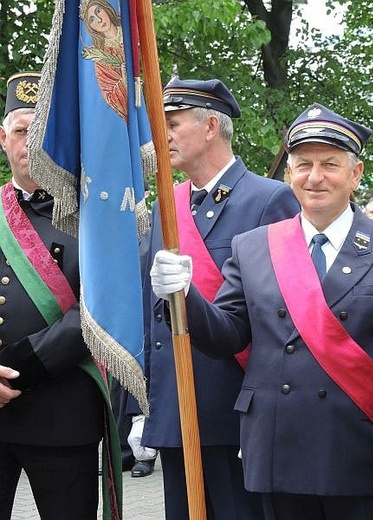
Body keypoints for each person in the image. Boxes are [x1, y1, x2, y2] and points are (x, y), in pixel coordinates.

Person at [150, 102, 373, 520]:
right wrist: (184, 295)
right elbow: (229, 335)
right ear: (289, 174)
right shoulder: (254, 246)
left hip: (366, 458)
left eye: (330, 164)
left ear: (355, 175)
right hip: (279, 455)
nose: (314, 177)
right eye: (303, 165)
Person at [140, 77, 300, 519]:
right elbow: (155, 313)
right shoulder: (165, 205)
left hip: (236, 415)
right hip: (177, 411)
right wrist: (146, 405)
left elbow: (283, 317)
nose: (162, 136)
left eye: (171, 124)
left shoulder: (269, 200)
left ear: (211, 126)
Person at [0, 72, 117, 518]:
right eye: (21, 130)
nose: (31, 143)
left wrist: (15, 375)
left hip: (61, 412)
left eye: (44, 131)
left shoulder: (94, 214)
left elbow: (98, 308)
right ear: (3, 138)